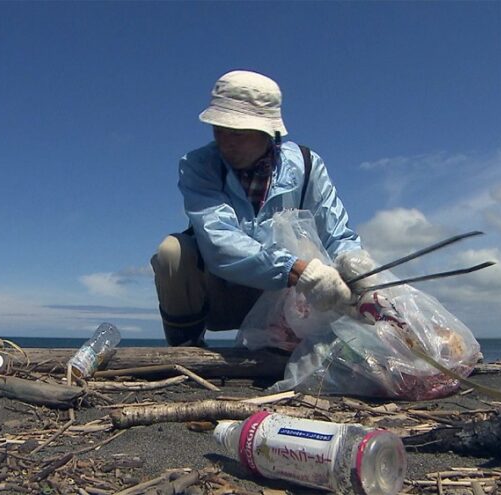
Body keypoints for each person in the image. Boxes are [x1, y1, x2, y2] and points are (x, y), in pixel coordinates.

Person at [152, 70, 368, 347]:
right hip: (222, 296)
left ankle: (287, 344)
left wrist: (356, 270)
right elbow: (219, 239)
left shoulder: (308, 164)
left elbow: (336, 234)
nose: (226, 142)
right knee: (172, 251)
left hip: (287, 302)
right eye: (219, 129)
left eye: (239, 132)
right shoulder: (198, 165)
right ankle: (185, 347)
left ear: (269, 131)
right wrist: (300, 271)